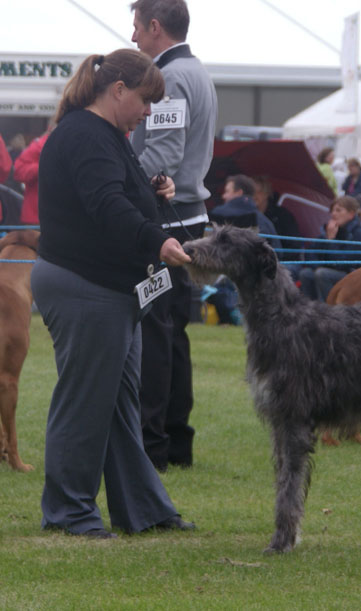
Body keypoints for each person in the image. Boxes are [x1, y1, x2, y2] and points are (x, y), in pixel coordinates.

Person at [31, 49, 195, 538]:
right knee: (84, 402)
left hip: (112, 290)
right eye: (146, 101)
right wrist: (157, 238)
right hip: (86, 288)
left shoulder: (105, 136)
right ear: (119, 90)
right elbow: (105, 204)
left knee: (120, 406)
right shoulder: (85, 135)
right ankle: (68, 512)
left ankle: (142, 508)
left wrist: (152, 193)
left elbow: (115, 195)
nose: (149, 112)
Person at [129, 0, 218, 472]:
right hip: (186, 217)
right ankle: (176, 442)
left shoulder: (171, 79)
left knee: (156, 332)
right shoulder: (195, 71)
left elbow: (162, 154)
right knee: (172, 333)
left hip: (167, 217)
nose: (133, 38)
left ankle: (154, 446)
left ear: (156, 27)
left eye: (138, 28)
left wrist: (115, 180)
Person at [299, 195, 361, 302]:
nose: (333, 214)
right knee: (306, 274)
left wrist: (330, 240)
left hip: (359, 276)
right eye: (332, 210)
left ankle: (329, 310)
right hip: (338, 272)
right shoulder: (333, 230)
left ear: (351, 214)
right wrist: (317, 265)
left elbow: (341, 263)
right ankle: (311, 309)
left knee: (322, 274)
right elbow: (311, 253)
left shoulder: (360, 235)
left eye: (338, 210)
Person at [210, 174, 281, 250]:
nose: (223, 196)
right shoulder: (265, 222)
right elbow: (278, 252)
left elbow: (206, 243)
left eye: (227, 191)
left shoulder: (217, 213)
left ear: (239, 193)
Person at [253, 175, 300, 260]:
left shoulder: (283, 215)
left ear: (266, 193)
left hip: (284, 261)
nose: (254, 196)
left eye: (258, 192)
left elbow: (294, 246)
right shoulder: (245, 216)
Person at [12, 128, 51, 225]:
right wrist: (42, 166)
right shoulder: (39, 146)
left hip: (45, 216)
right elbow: (17, 171)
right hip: (36, 217)